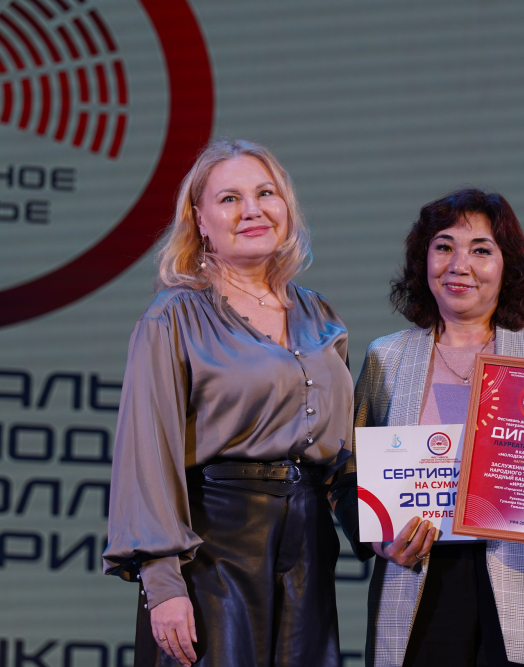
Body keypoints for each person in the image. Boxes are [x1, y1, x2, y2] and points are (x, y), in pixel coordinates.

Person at [348, 189, 524, 667]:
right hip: (420, 579)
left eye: (480, 249)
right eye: (444, 246)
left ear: (506, 265)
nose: (460, 265)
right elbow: (351, 472)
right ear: (423, 260)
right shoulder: (386, 358)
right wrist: (377, 537)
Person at [103, 139, 354, 667]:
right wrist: (163, 582)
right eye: (230, 199)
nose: (253, 210)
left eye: (266, 193)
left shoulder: (320, 316)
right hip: (215, 545)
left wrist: (383, 533)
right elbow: (147, 456)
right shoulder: (174, 316)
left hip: (308, 544)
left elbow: (344, 458)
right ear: (200, 220)